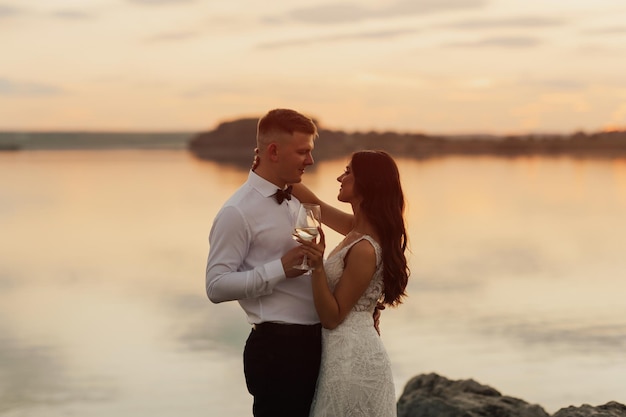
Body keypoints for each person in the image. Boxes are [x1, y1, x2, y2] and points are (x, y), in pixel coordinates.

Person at [205, 108, 321, 417]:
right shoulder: (236, 212)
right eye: (303, 152)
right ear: (273, 151)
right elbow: (215, 287)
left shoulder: (298, 200)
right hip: (277, 351)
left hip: (319, 344)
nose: (310, 160)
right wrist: (280, 269)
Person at [292, 150, 410, 417]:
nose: (339, 177)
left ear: (366, 183)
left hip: (353, 362)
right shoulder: (358, 230)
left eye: (347, 172)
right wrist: (269, 166)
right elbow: (313, 203)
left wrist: (317, 265)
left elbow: (332, 318)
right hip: (340, 354)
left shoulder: (365, 248)